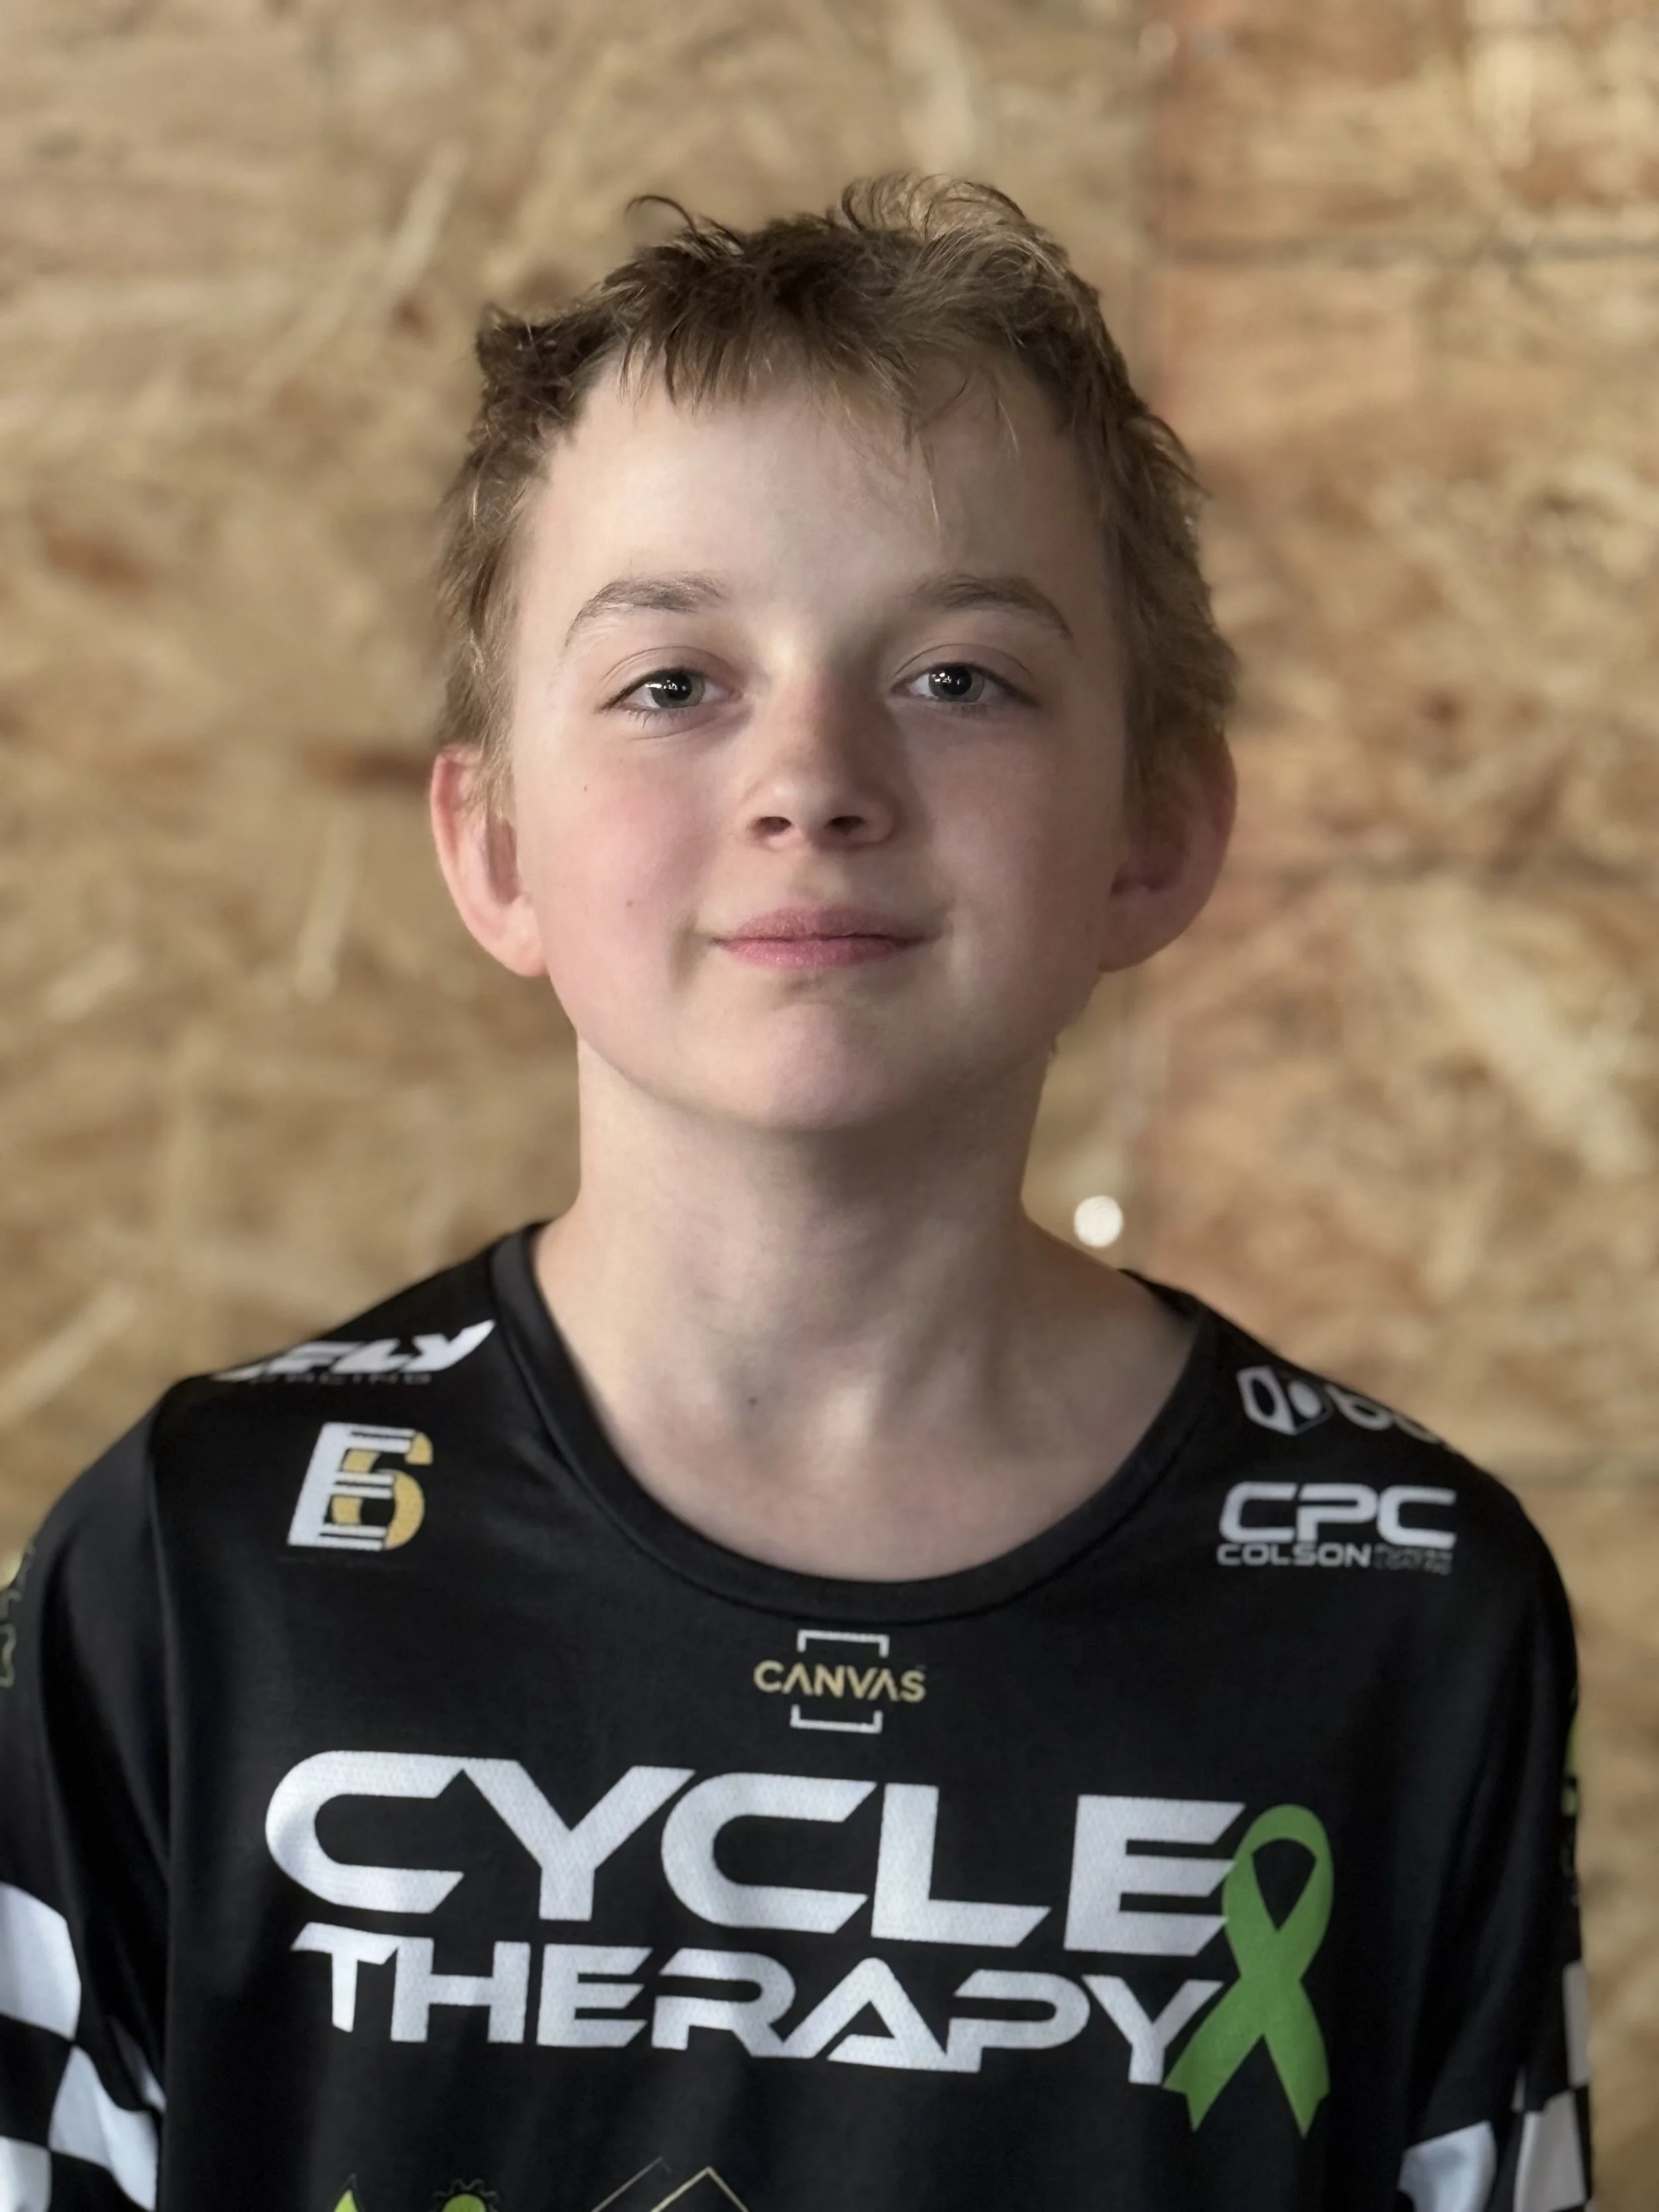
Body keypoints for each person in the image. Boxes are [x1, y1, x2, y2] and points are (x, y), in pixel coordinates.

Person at [0, 177, 1589, 2212]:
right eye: (674, 683)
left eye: (959, 678)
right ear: (491, 848)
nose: (811, 776)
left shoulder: (1400, 1599)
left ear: (1157, 826)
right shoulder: (200, 1556)